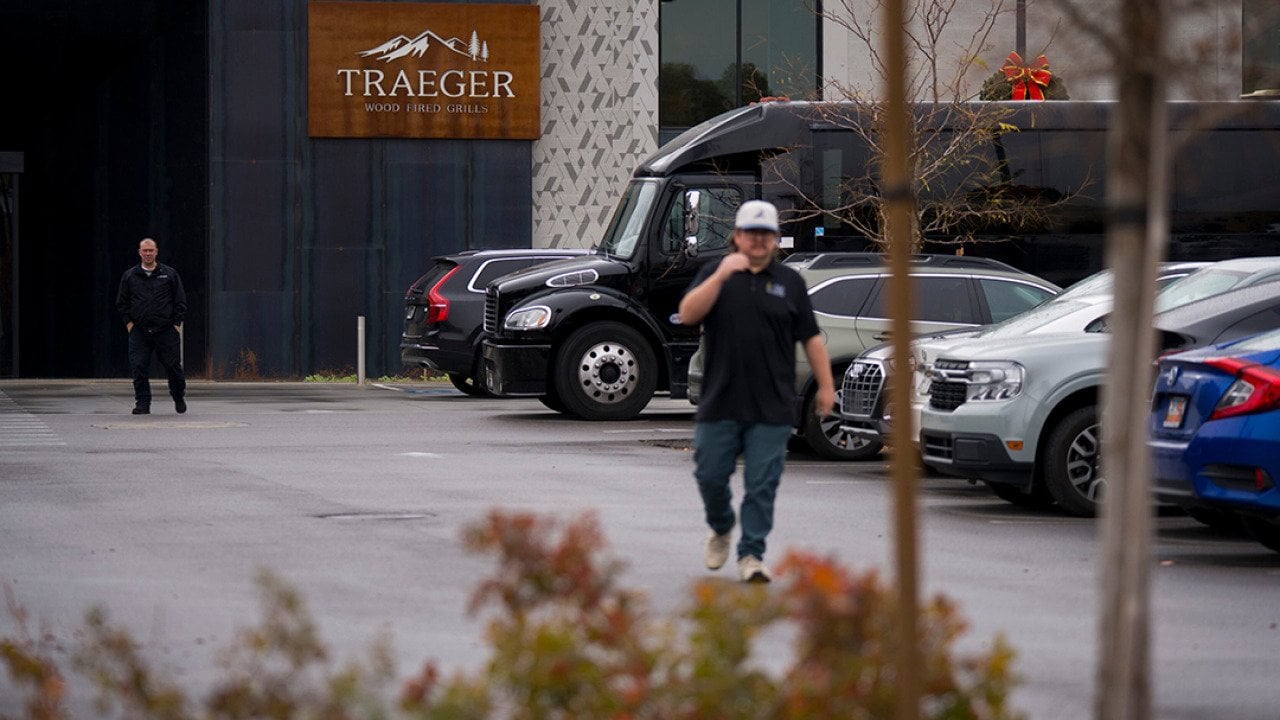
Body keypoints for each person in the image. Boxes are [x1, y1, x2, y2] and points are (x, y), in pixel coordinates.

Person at [678, 200, 835, 583]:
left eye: (766, 235)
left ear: (776, 240)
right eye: (751, 233)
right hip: (721, 400)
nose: (759, 241)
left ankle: (752, 555)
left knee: (761, 484)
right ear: (737, 237)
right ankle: (721, 525)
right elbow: (687, 314)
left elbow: (811, 339)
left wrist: (827, 387)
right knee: (710, 475)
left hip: (772, 404)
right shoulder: (714, 272)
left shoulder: (791, 283)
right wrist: (720, 278)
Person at [116, 237, 188, 415]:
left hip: (166, 330)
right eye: (144, 251)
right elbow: (122, 303)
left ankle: (178, 397)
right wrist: (129, 324)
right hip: (139, 331)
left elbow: (180, 301)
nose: (148, 254)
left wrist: (176, 324)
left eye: (151, 250)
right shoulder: (130, 276)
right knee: (139, 367)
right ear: (140, 252)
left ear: (156, 252)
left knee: (173, 366)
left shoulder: (169, 274)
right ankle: (143, 403)